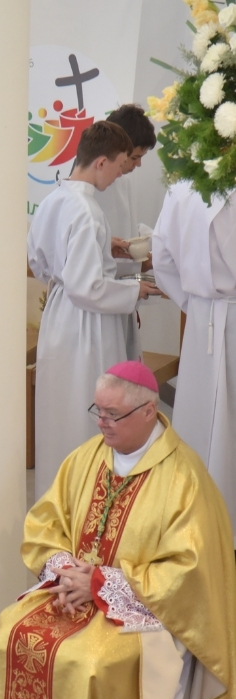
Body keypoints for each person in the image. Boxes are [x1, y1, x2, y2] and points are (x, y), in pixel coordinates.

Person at [0, 361, 236, 699]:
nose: (101, 422)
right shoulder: (87, 457)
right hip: (73, 591)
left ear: (149, 411)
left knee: (89, 661)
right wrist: (67, 572)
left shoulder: (184, 478)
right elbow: (46, 523)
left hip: (146, 612)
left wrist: (103, 585)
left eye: (112, 414)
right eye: (98, 411)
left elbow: (189, 573)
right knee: (11, 630)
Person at [29, 120, 162, 494]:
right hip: (88, 324)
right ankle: (88, 498)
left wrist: (107, 253)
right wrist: (136, 290)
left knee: (60, 411)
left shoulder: (54, 199)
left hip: (59, 315)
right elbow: (88, 287)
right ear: (101, 162)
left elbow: (44, 264)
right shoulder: (88, 211)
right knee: (89, 410)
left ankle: (56, 495)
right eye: (120, 164)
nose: (121, 173)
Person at [152, 183, 236, 542]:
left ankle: (194, 527)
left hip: (202, 319)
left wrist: (195, 303)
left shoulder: (182, 187)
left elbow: (161, 258)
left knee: (199, 425)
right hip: (214, 313)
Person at [94, 104, 158, 362]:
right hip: (97, 306)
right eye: (134, 157)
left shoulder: (123, 183)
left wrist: (143, 257)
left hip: (122, 299)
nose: (138, 164)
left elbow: (127, 234)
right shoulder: (87, 191)